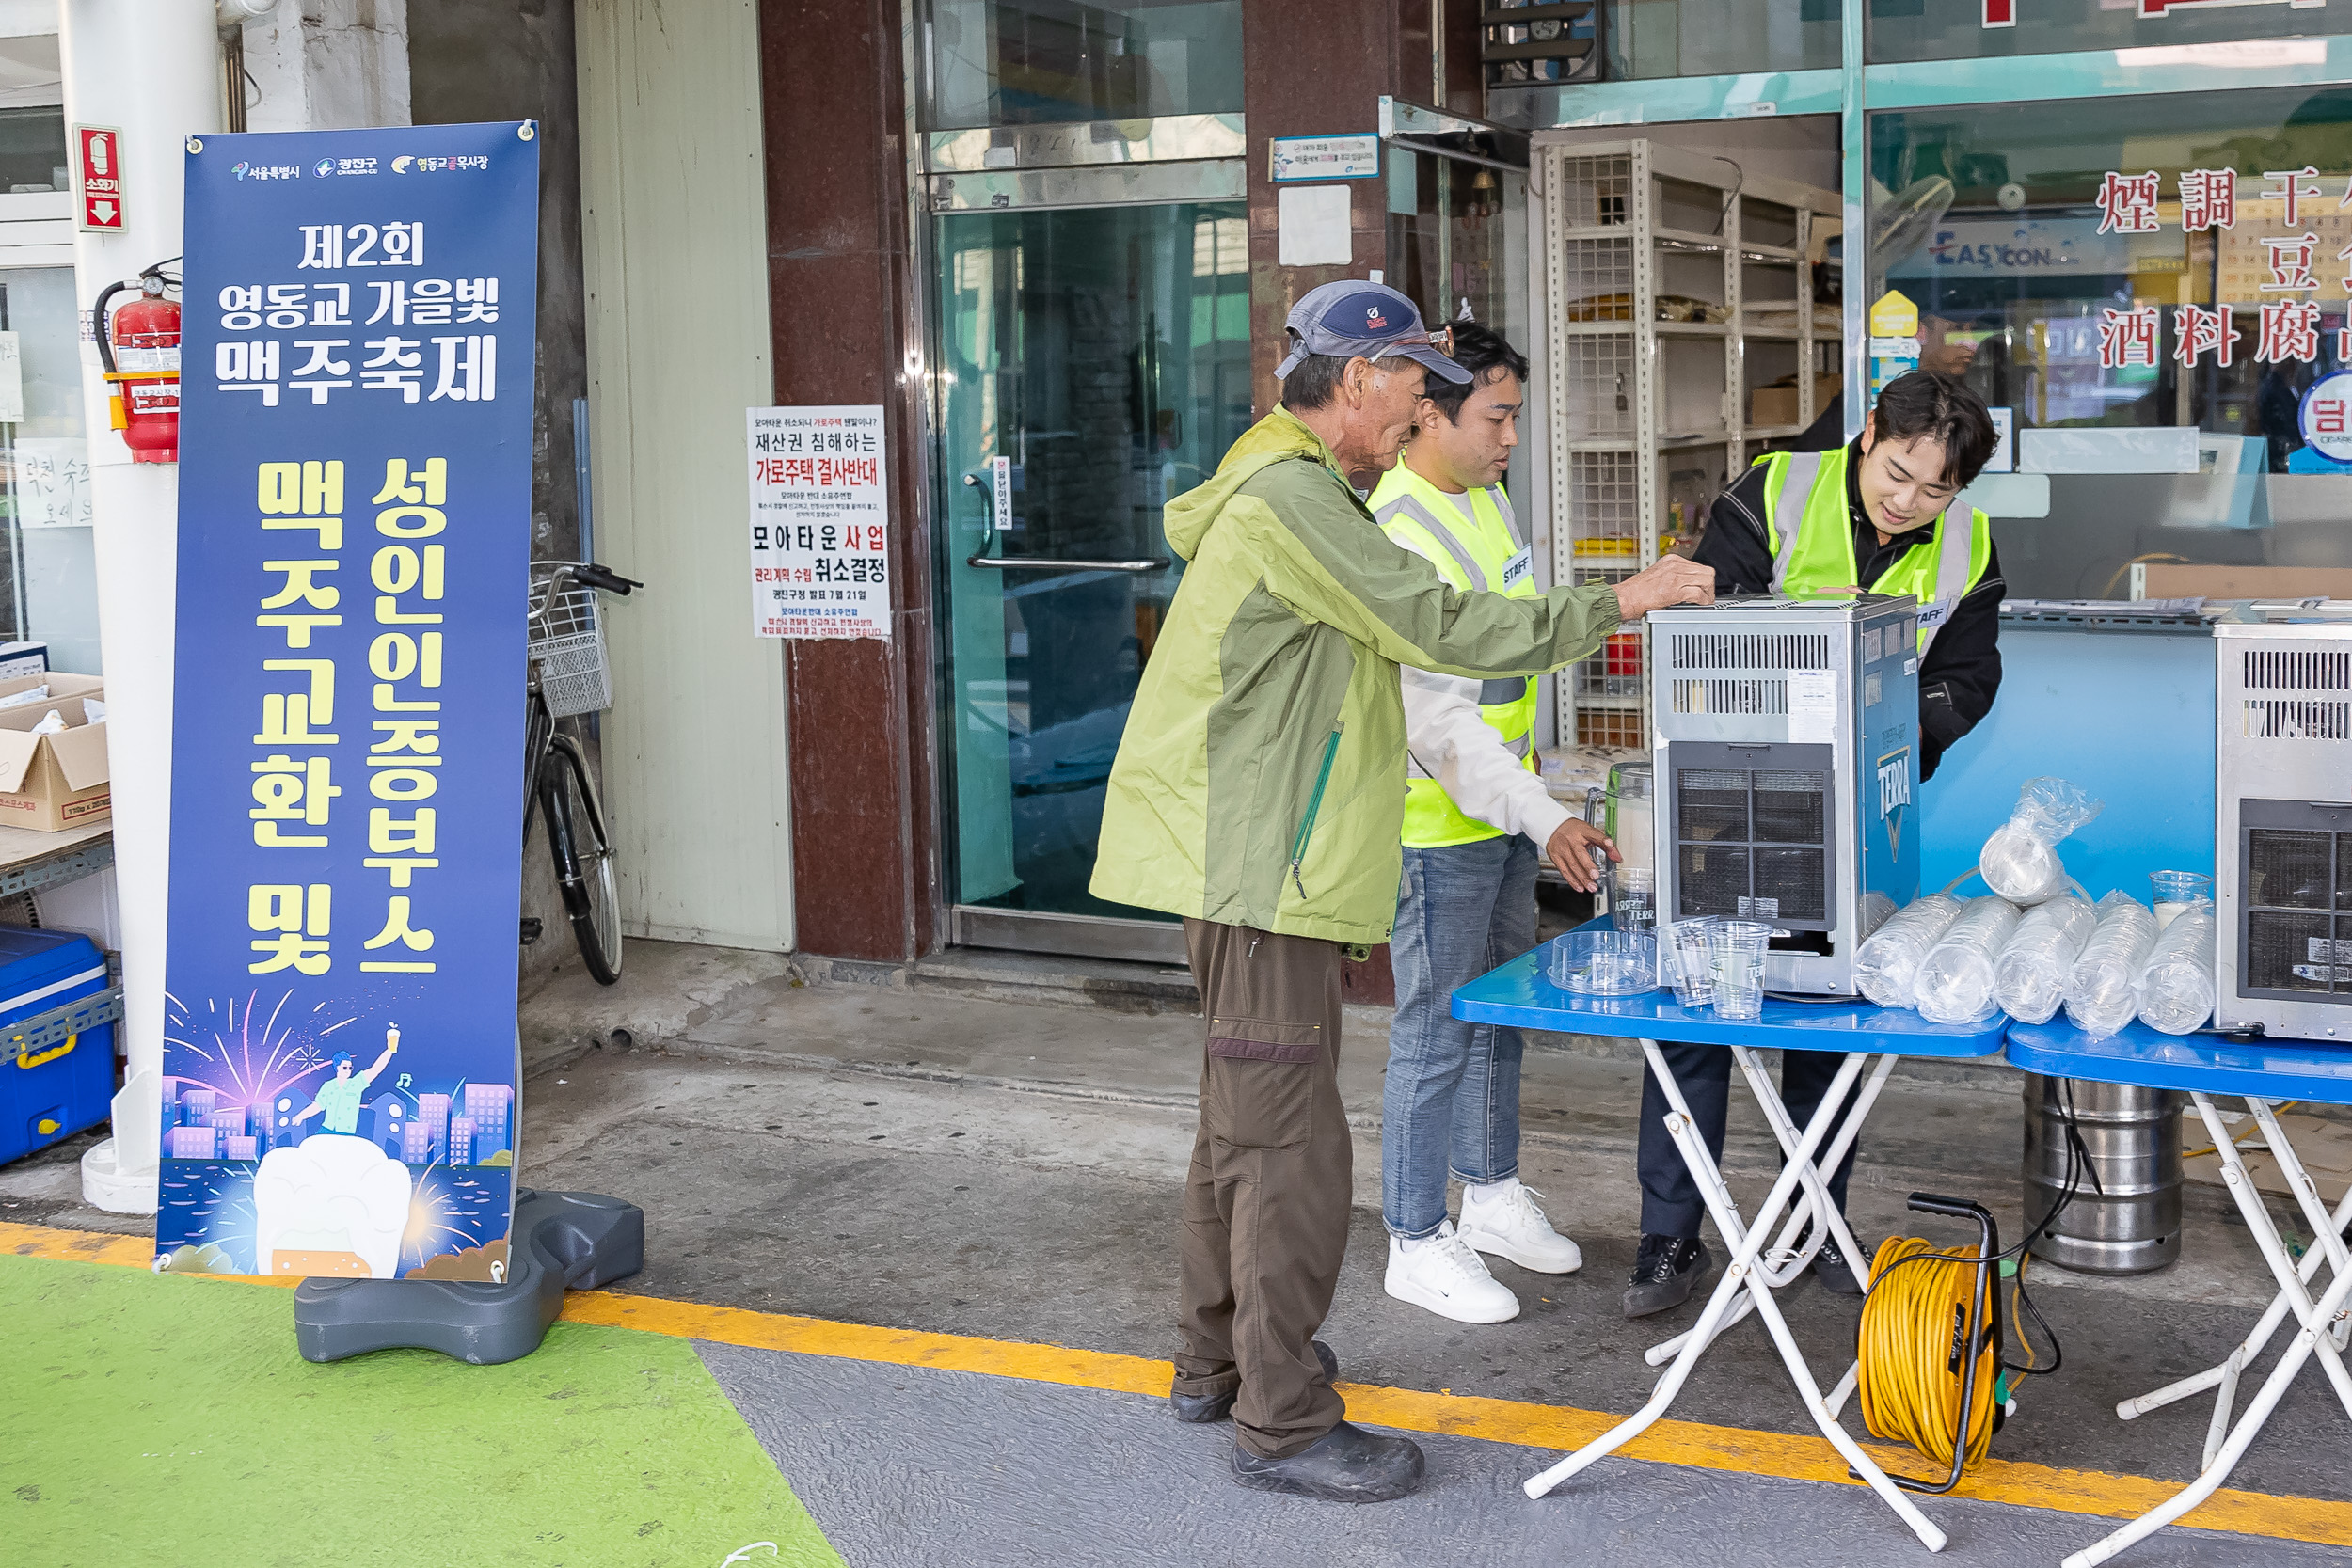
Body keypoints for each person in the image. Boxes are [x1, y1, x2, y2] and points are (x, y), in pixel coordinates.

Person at [1088, 278, 1715, 1502]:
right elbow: (1441, 624)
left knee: (1238, 1122)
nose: (1426, 411)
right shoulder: (1295, 500)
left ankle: (1216, 1357)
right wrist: (1621, 600)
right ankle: (1280, 1415)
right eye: (1416, 389)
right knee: (1290, 1145)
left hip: (1255, 860)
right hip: (1262, 870)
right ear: (1356, 379)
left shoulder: (1298, 489)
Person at [1625, 370, 2004, 1319]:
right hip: (1731, 794)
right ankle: (1669, 1231)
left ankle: (1815, 1215)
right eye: (1896, 473)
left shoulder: (1967, 540)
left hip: (1859, 813)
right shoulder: (1776, 491)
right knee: (1695, 1012)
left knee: (1830, 1014)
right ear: (1868, 432)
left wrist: (1890, 734)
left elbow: (1966, 676)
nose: (1909, 502)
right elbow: (1708, 631)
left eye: (1934, 489)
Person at [1368, 323, 1607, 1325]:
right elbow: (1440, 723)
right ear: (1429, 412)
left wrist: (1542, 799)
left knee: (1498, 1011)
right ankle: (1414, 1237)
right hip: (1436, 831)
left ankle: (1492, 1192)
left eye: (1515, 415)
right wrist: (1543, 811)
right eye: (1496, 416)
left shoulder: (1485, 499)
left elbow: (1512, 666)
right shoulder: (1401, 531)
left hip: (1503, 813)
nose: (1511, 436)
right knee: (1432, 1032)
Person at [1791, 312, 1982, 452]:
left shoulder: (1958, 395)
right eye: (1956, 330)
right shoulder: (1874, 396)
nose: (1971, 343)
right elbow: (1810, 454)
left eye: (1971, 330)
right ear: (1920, 334)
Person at [293, 1024, 402, 1137]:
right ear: (337, 1067)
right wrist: (301, 1116)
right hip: (327, 1129)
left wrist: (389, 1051)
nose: (348, 1070)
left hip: (346, 1133)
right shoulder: (328, 1086)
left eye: (350, 1068)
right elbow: (318, 1106)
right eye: (345, 1067)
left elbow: (375, 1070)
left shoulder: (356, 1084)